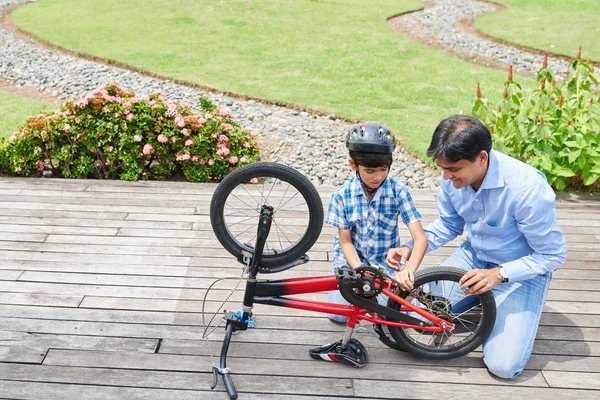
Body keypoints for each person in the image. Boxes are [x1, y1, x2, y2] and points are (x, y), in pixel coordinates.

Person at [387, 115, 567, 379]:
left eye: (454, 170)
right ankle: (485, 303)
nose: (446, 177)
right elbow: (449, 224)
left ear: (482, 158)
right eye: (442, 169)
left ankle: (513, 307)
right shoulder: (451, 177)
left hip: (520, 270)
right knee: (421, 320)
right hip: (474, 258)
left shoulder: (527, 189)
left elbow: (552, 254)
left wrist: (498, 275)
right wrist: (410, 247)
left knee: (503, 367)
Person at [325, 121, 429, 323]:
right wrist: (361, 272)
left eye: (384, 169)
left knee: (405, 314)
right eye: (370, 171)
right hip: (352, 262)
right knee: (338, 315)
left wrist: (409, 269)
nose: (378, 177)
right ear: (353, 165)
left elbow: (420, 239)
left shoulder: (398, 191)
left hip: (385, 262)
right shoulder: (342, 196)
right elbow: (345, 242)